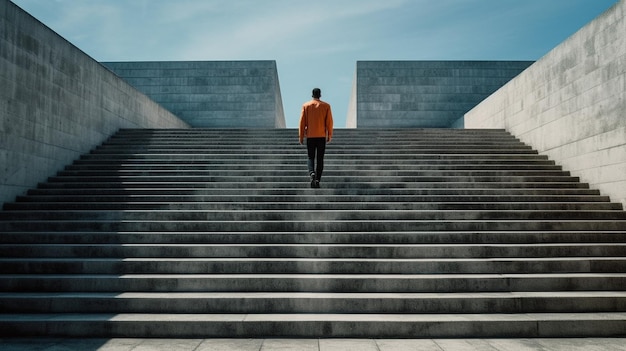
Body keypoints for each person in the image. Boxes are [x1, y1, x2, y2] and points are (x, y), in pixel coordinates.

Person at [299, 88, 333, 188]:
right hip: (321, 136)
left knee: (310, 157)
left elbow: (302, 122)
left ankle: (312, 173)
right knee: (320, 158)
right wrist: (329, 135)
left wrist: (301, 136)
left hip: (310, 136)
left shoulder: (306, 106)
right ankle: (318, 179)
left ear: (312, 95)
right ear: (320, 95)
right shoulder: (326, 106)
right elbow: (329, 122)